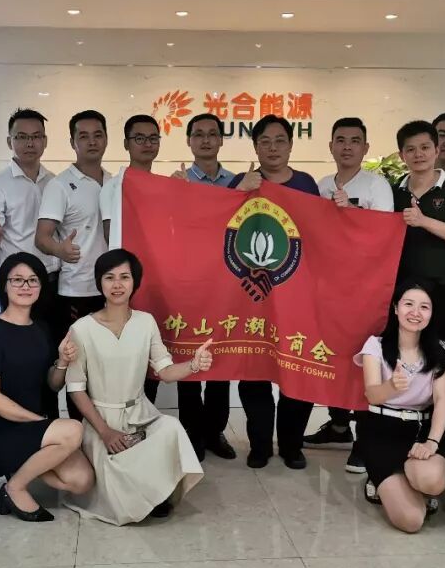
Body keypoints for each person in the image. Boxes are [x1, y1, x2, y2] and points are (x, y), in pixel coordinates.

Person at [64, 249, 209, 525]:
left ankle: (153, 492)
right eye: (109, 277)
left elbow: (165, 371)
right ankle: (147, 490)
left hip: (141, 414)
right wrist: (105, 432)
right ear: (99, 282)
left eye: (124, 277)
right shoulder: (81, 329)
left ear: (135, 282)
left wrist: (194, 364)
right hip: (101, 420)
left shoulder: (145, 322)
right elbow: (75, 389)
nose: (117, 284)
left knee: (171, 428)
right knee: (117, 481)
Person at [0, 252, 94, 522]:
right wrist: (40, 422)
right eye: (17, 280)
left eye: (32, 280)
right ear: (4, 285)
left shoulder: (42, 329)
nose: (25, 286)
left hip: (35, 429)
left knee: (82, 480)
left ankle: (19, 471)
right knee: (73, 430)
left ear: (40, 287)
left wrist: (62, 362)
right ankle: (15, 488)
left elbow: (53, 385)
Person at [228, 114, 320, 470]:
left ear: (291, 145)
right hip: (252, 295)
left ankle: (292, 445)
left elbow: (321, 234)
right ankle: (260, 445)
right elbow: (216, 223)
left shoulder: (306, 183)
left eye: (280, 140)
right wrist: (240, 191)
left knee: (298, 368)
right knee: (254, 371)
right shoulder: (241, 180)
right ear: (255, 147)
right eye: (264, 141)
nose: (273, 148)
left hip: (297, 293)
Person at [305, 116, 395, 474]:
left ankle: (365, 440)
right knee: (333, 357)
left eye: (354, 140)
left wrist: (352, 213)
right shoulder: (322, 184)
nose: (347, 147)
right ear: (330, 146)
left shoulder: (377, 186)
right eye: (340, 140)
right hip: (329, 288)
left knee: (363, 361)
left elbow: (385, 235)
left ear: (365, 148)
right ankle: (339, 425)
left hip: (365, 289)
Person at [357, 281, 445, 533]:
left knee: (432, 482)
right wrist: (391, 386)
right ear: (395, 308)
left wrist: (432, 442)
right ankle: (382, 482)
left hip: (422, 429)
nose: (415, 312)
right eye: (408, 304)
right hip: (382, 431)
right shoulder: (375, 346)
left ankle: (415, 483)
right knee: (411, 521)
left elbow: (443, 402)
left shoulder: (440, 351)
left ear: (432, 313)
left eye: (424, 307)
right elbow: (372, 395)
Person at [169, 113, 237, 462]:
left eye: (212, 134)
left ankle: (215, 431)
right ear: (189, 141)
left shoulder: (237, 182)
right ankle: (192, 433)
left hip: (226, 283)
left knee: (221, 363)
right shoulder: (177, 181)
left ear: (222, 140)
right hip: (188, 284)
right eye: (198, 134)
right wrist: (175, 195)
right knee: (189, 360)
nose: (206, 140)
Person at [35, 110, 111, 419]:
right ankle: (78, 431)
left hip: (112, 291)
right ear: (72, 142)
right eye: (84, 136)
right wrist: (61, 250)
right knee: (77, 365)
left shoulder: (115, 182)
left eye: (97, 135)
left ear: (106, 139)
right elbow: (42, 237)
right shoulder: (61, 185)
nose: (92, 141)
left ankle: (102, 430)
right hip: (75, 291)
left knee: (104, 366)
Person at [393, 120, 445, 351]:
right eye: (410, 149)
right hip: (404, 289)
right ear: (402, 155)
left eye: (425, 147)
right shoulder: (394, 192)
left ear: (436, 150)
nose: (418, 154)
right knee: (409, 352)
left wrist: (423, 221)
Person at [0, 108, 59, 324]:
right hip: (18, 283)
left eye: (36, 136)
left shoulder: (55, 183)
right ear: (9, 141)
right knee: (20, 338)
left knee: (52, 338)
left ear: (45, 141)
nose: (30, 143)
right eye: (21, 137)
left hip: (53, 278)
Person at [100, 114, 161, 252]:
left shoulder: (162, 187)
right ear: (126, 144)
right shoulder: (113, 187)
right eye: (140, 139)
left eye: (153, 138)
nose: (148, 144)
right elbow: (111, 237)